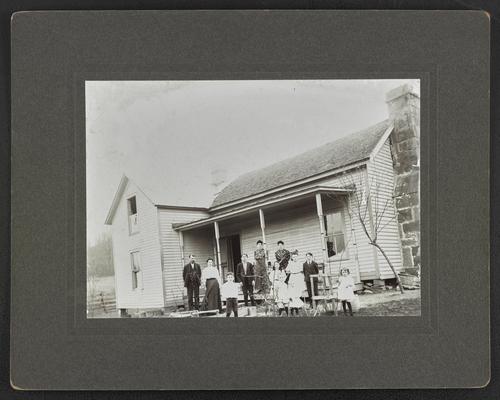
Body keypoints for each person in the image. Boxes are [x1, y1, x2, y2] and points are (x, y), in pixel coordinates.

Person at [285, 250, 306, 316]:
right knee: (292, 293)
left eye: (296, 257)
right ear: (292, 258)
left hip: (298, 277)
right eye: (293, 257)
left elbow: (302, 270)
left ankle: (297, 308)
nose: (295, 258)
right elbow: (286, 270)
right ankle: (293, 308)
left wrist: (298, 271)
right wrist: (291, 271)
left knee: (298, 293)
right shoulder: (290, 263)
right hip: (292, 277)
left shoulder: (300, 263)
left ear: (298, 257)